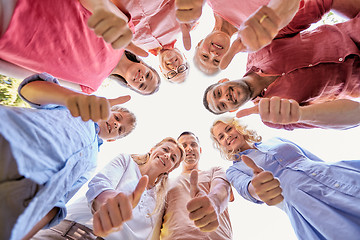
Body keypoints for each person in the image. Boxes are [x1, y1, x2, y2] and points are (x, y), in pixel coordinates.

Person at [0, 72, 137, 240]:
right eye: (117, 117)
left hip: (20, 201)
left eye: (120, 129)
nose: (116, 124)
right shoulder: (76, 106)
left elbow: (57, 202)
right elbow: (29, 90)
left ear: (113, 140)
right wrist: (74, 98)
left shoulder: (92, 164)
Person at [203, 5, 360, 130]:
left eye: (218, 93)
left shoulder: (258, 47)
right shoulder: (274, 115)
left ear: (223, 80)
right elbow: (355, 117)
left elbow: (307, 10)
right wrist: (300, 114)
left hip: (354, 31)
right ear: (232, 110)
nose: (225, 98)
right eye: (222, 105)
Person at [210, 118, 360, 240]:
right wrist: (260, 187)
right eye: (221, 137)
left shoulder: (275, 140)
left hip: (333, 175)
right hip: (304, 201)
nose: (227, 136)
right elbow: (248, 188)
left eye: (228, 129)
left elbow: (313, 159)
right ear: (221, 146)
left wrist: (330, 171)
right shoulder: (234, 170)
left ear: (238, 127)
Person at [33, 137, 185, 239]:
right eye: (165, 149)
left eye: (173, 158)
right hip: (77, 232)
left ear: (170, 169)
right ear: (152, 149)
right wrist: (107, 203)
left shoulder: (160, 199)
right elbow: (101, 183)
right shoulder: (126, 162)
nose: (167, 155)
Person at [0, 0, 161, 95]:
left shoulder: (89, 88)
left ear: (129, 86)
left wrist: (2, 66)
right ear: (144, 64)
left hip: (8, 41)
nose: (142, 79)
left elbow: (39, 77)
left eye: (142, 85)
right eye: (148, 75)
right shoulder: (127, 29)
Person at [194, 0, 359, 74]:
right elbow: (320, 3)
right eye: (216, 61)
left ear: (200, 43)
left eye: (204, 56)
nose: (214, 54)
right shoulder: (265, 33)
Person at [153, 131, 233, 240]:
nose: (189, 148)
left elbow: (222, 190)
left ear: (200, 150)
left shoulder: (215, 171)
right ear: (179, 154)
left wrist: (214, 202)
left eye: (193, 144)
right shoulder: (165, 183)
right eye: (184, 146)